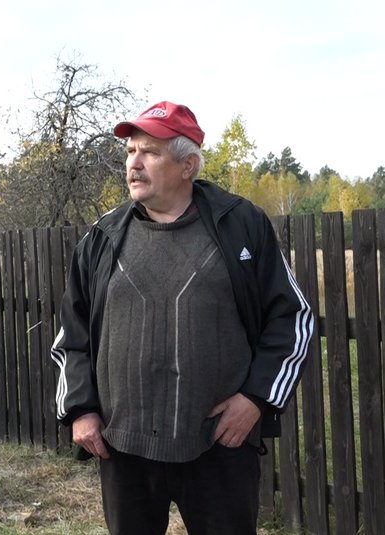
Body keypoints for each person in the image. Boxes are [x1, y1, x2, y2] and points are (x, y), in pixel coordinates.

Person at [50, 100, 314, 535]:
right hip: (125, 449)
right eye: (130, 151)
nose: (134, 163)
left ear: (187, 164)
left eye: (149, 152)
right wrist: (80, 409)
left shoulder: (240, 224)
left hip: (217, 445)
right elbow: (71, 337)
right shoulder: (101, 238)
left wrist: (256, 399)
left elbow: (294, 319)